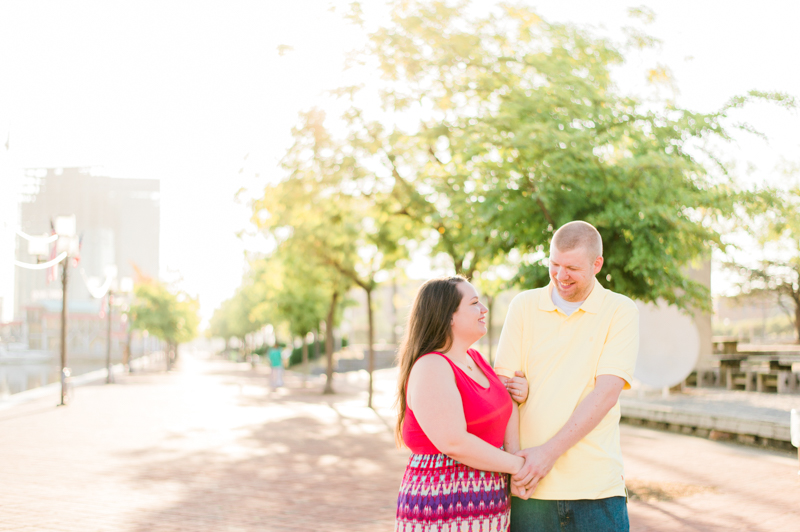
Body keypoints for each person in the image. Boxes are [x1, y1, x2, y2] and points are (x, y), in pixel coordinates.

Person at [494, 221, 639, 532]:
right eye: (554, 264)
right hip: (530, 487)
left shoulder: (620, 311)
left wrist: (546, 454)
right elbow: (503, 391)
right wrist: (519, 467)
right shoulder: (523, 306)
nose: (561, 275)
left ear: (597, 264)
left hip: (597, 488)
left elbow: (606, 394)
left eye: (572, 267)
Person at [395, 276, 530, 532]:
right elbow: (453, 442)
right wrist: (519, 467)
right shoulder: (431, 366)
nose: (484, 309)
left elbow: (500, 412)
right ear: (449, 317)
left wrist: (515, 394)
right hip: (444, 503)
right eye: (474, 303)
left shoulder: (475, 359)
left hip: (487, 502)